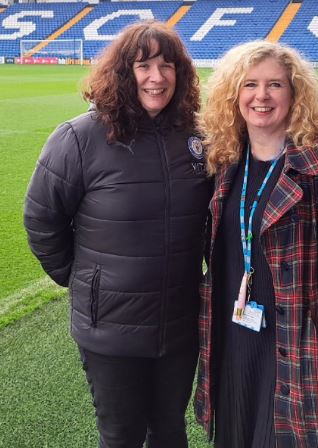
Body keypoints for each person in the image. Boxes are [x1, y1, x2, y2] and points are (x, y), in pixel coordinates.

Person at [24, 20, 211, 448]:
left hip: (180, 324)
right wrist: (83, 281)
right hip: (110, 329)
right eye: (143, 65)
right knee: (122, 435)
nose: (157, 77)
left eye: (167, 65)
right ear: (122, 72)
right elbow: (41, 220)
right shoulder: (78, 137)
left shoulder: (197, 136)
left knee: (169, 430)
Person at [194, 40, 318, 447]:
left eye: (275, 85)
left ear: (295, 94)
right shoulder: (224, 160)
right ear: (233, 95)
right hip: (233, 338)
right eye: (250, 85)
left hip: (294, 342)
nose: (261, 96)